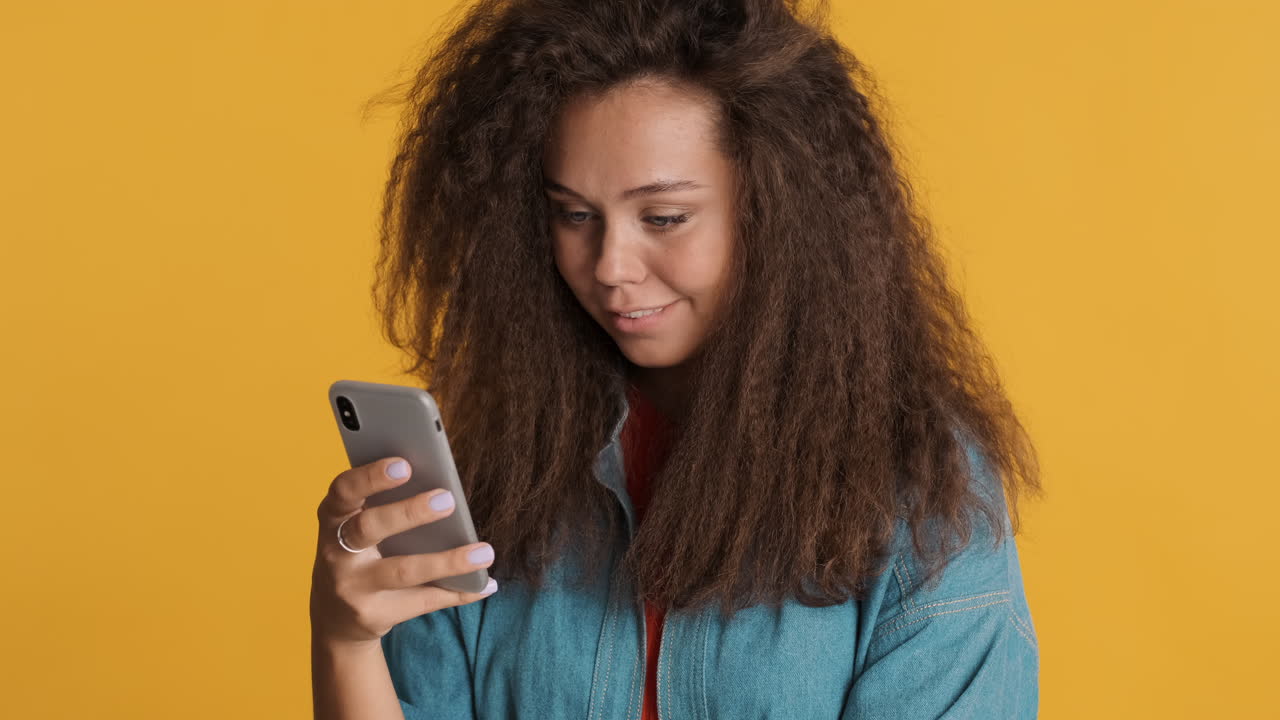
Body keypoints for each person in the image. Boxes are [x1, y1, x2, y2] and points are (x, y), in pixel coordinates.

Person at [310, 0, 1044, 718]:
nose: (610, 266)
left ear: (778, 209)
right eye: (574, 214)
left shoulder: (924, 492)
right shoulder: (495, 467)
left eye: (663, 218)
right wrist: (345, 642)